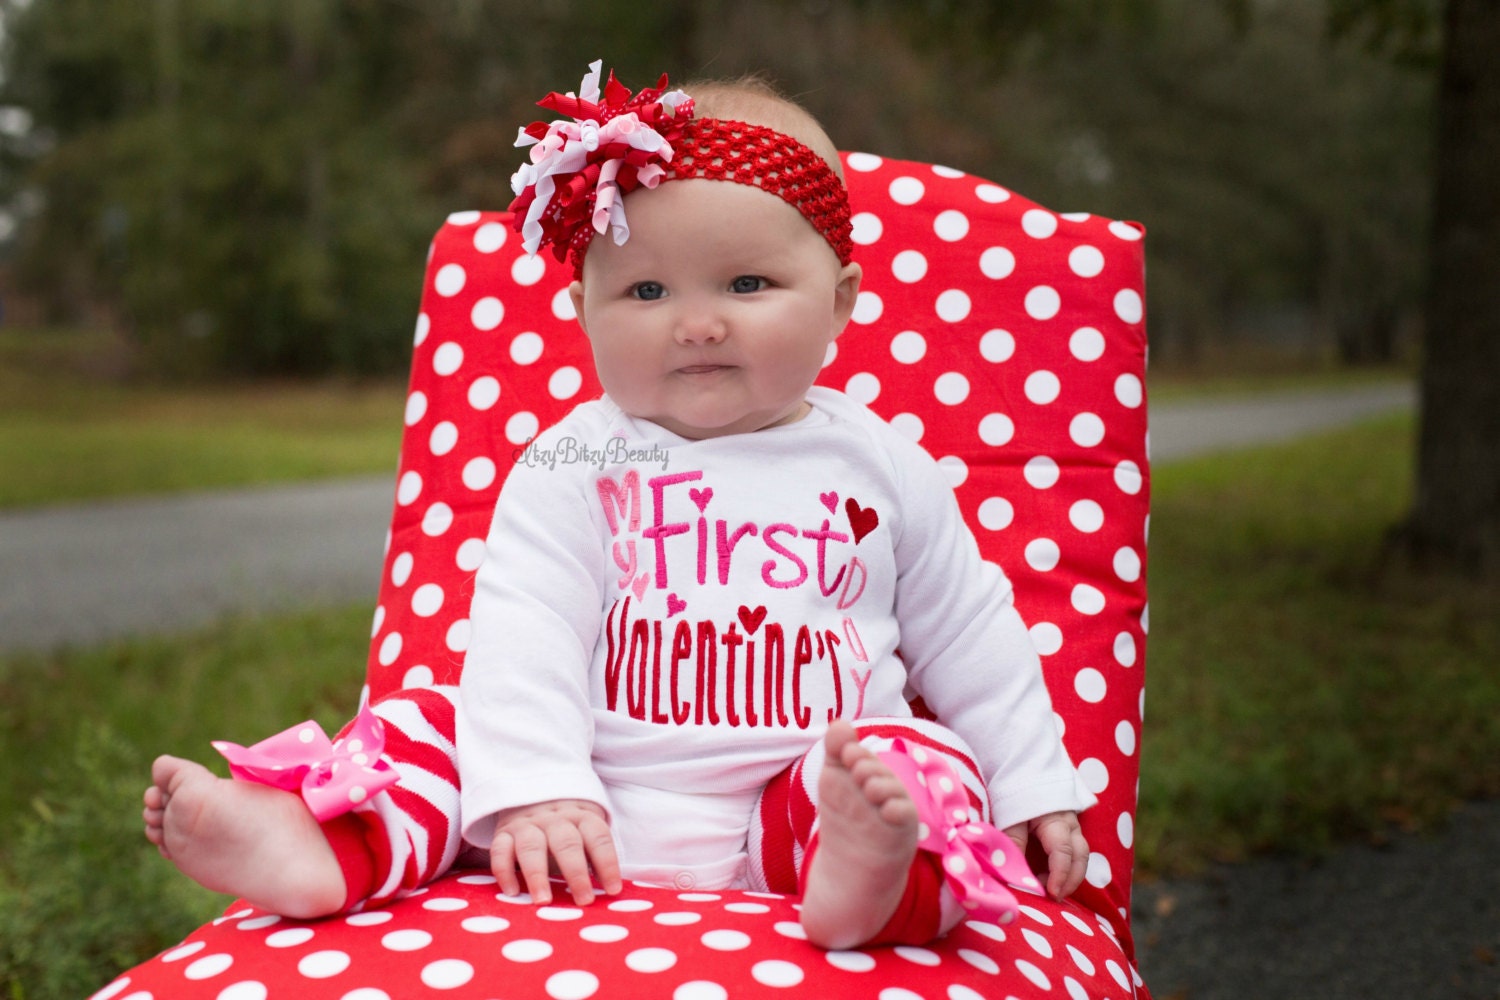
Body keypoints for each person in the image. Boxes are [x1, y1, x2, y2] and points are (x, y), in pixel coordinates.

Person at [144, 61, 1094, 950]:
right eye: (644, 289)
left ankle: (866, 885)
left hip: (799, 797)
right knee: (431, 720)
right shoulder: (574, 459)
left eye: (748, 283)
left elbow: (971, 632)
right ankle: (316, 850)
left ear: (840, 302)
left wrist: (1031, 780)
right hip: (580, 816)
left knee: (911, 762)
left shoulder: (882, 465)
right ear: (584, 314)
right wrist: (540, 790)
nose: (697, 321)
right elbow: (525, 636)